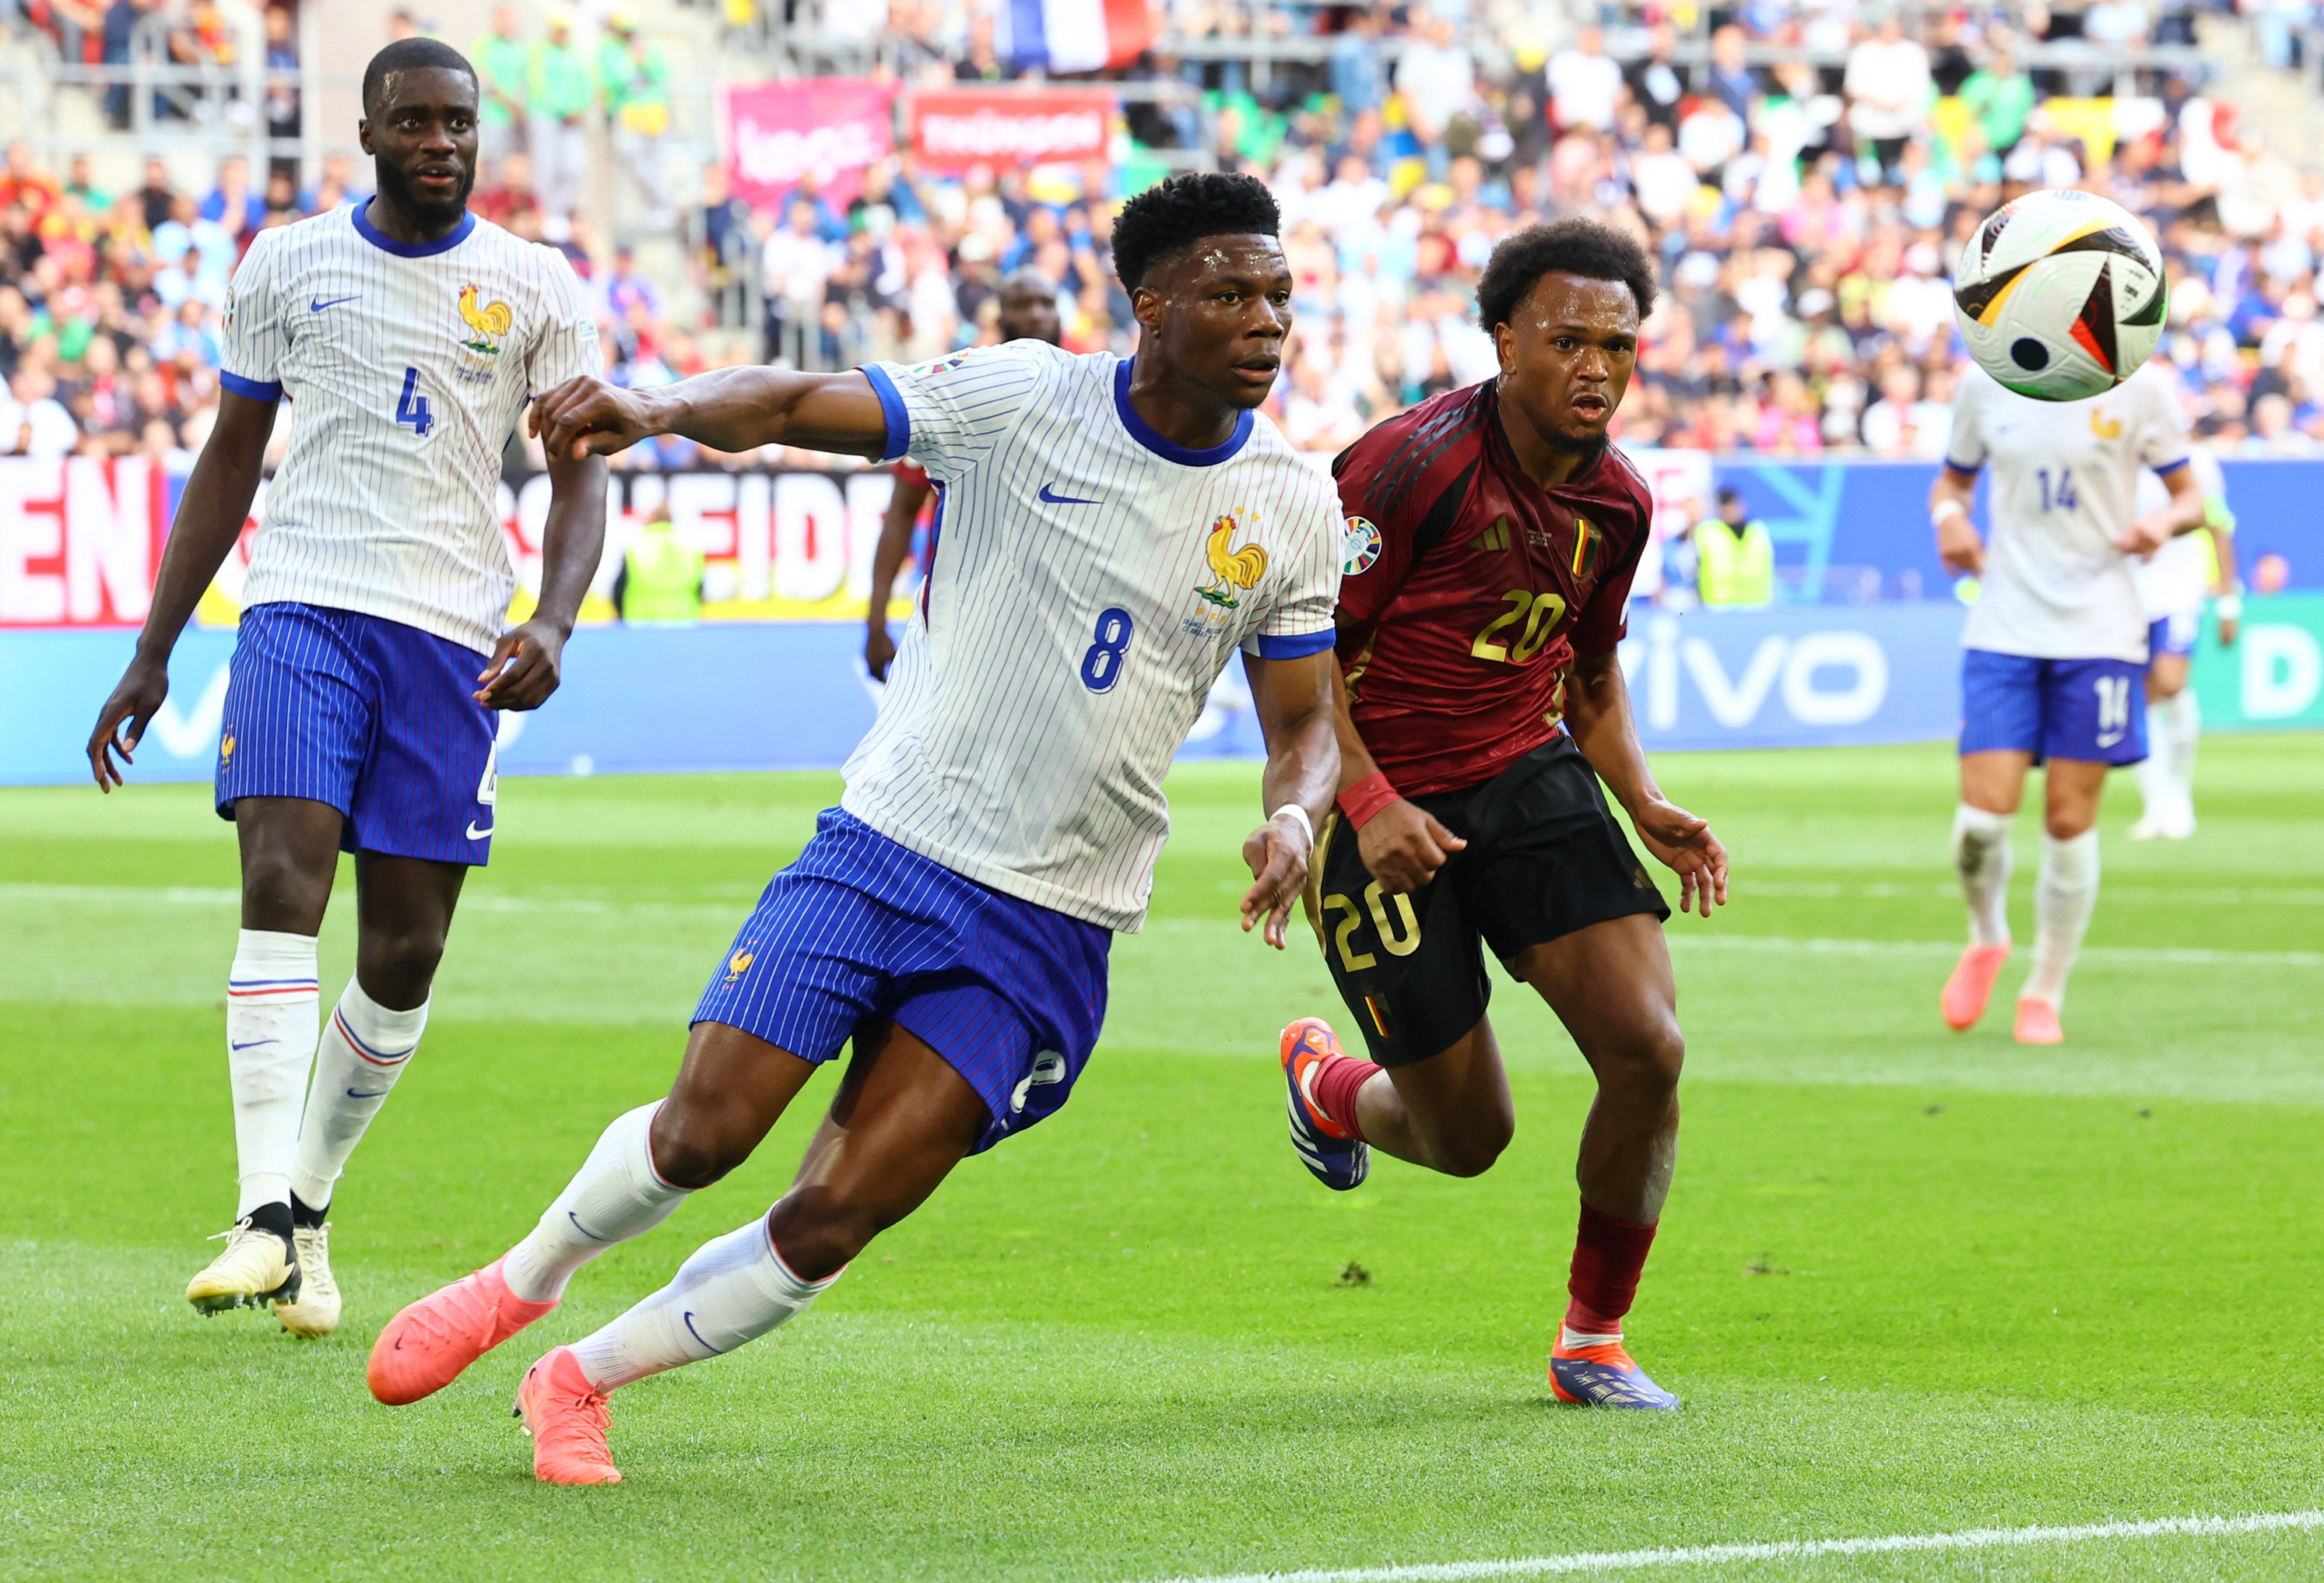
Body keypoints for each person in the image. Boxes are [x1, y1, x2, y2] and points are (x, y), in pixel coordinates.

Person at [363, 172, 1344, 1486]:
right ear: (1152, 306)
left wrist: (1293, 812)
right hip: (888, 845)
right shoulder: (1021, 399)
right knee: (701, 1134)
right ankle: (522, 1282)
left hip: (1053, 915)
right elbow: (787, 400)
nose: (1267, 321)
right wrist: (655, 406)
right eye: (1232, 295)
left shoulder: (1292, 503)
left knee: (834, 1215)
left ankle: (578, 1378)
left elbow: (1306, 724)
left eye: (1279, 296)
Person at [82, 37, 608, 1339]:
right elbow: (228, 455)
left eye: (459, 123)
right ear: (366, 136)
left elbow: (582, 472)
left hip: (450, 633)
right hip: (300, 602)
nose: (440, 141)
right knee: (279, 881)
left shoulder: (536, 287)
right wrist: (155, 646)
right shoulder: (289, 261)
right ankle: (260, 1213)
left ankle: (305, 1205)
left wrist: (552, 615)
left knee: (406, 949)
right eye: (414, 121)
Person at [1274, 218, 1729, 1413]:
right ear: (1503, 338)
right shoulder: (1406, 464)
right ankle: (1331, 1088)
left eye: (1617, 346)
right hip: (1380, 797)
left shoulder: (1621, 503)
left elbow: (1587, 673)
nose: (1594, 367)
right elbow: (1304, 650)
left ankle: (1594, 1338)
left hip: (1526, 776)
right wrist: (1365, 803)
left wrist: (1644, 799)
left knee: (1651, 1050)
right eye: (1566, 339)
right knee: (1467, 1136)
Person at [1932, 362, 2206, 1046]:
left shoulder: (2140, 390)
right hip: (2004, 628)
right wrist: (1948, 520)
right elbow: (1952, 482)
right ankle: (1987, 934)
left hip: (2102, 632)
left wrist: (2163, 523)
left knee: (2067, 820)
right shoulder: (1984, 384)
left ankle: (2045, 989)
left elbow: (2193, 498)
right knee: (1980, 825)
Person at [863, 268, 1062, 680]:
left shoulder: (1097, 395)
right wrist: (876, 620)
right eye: (1024, 305)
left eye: (1047, 304)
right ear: (1001, 320)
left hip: (1058, 620)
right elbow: (902, 511)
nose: (1039, 315)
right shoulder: (959, 394)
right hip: (961, 615)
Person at [2129, 445, 2239, 839]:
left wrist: (2228, 600)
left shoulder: (2197, 461)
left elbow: (2218, 527)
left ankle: (2178, 793)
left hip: (2178, 588)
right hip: (2127, 590)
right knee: (2141, 698)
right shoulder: (2113, 451)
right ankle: (2156, 804)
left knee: (2171, 682)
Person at [1692, 486, 1775, 607]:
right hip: (1718, 606)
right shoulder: (1707, 531)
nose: (1731, 510)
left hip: (1756, 606)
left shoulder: (1758, 531)